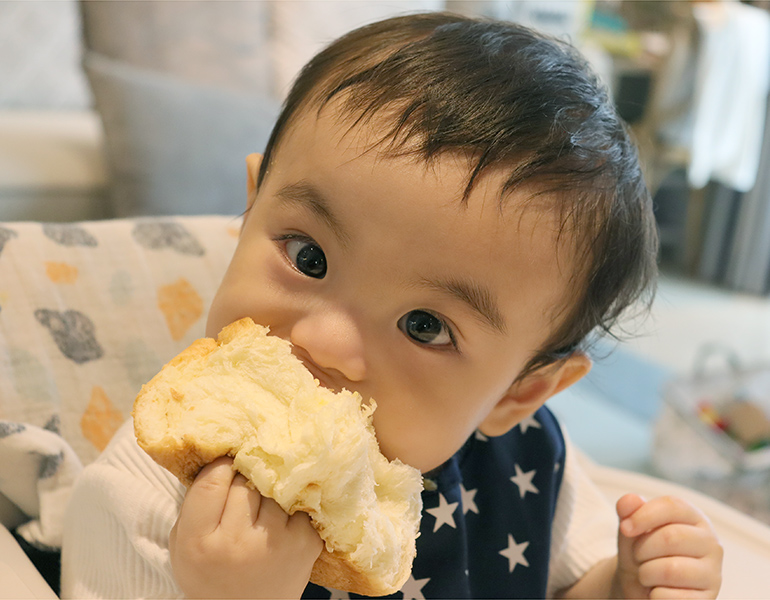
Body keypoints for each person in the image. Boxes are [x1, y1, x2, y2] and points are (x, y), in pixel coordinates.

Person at [61, 12, 723, 599]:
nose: (325, 342)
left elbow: (560, 583)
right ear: (251, 205)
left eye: (424, 326)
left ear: (517, 394)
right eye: (309, 257)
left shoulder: (525, 461)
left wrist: (621, 587)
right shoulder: (143, 497)